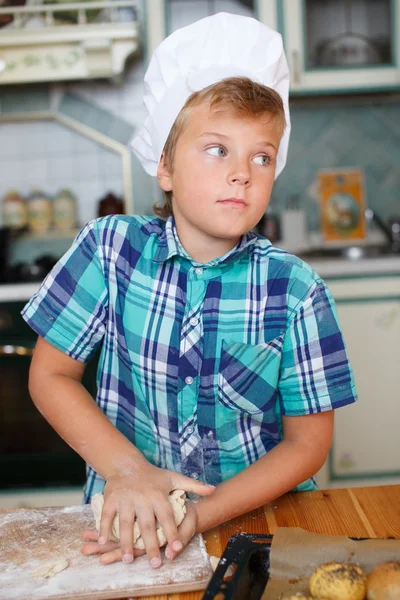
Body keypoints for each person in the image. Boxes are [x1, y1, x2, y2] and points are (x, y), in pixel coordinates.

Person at [22, 12, 357, 571]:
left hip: (260, 526)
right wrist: (129, 472)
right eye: (217, 149)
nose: (242, 174)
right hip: (127, 524)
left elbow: (307, 445)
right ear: (165, 166)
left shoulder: (297, 290)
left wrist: (200, 515)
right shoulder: (110, 251)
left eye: (262, 155)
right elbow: (50, 377)